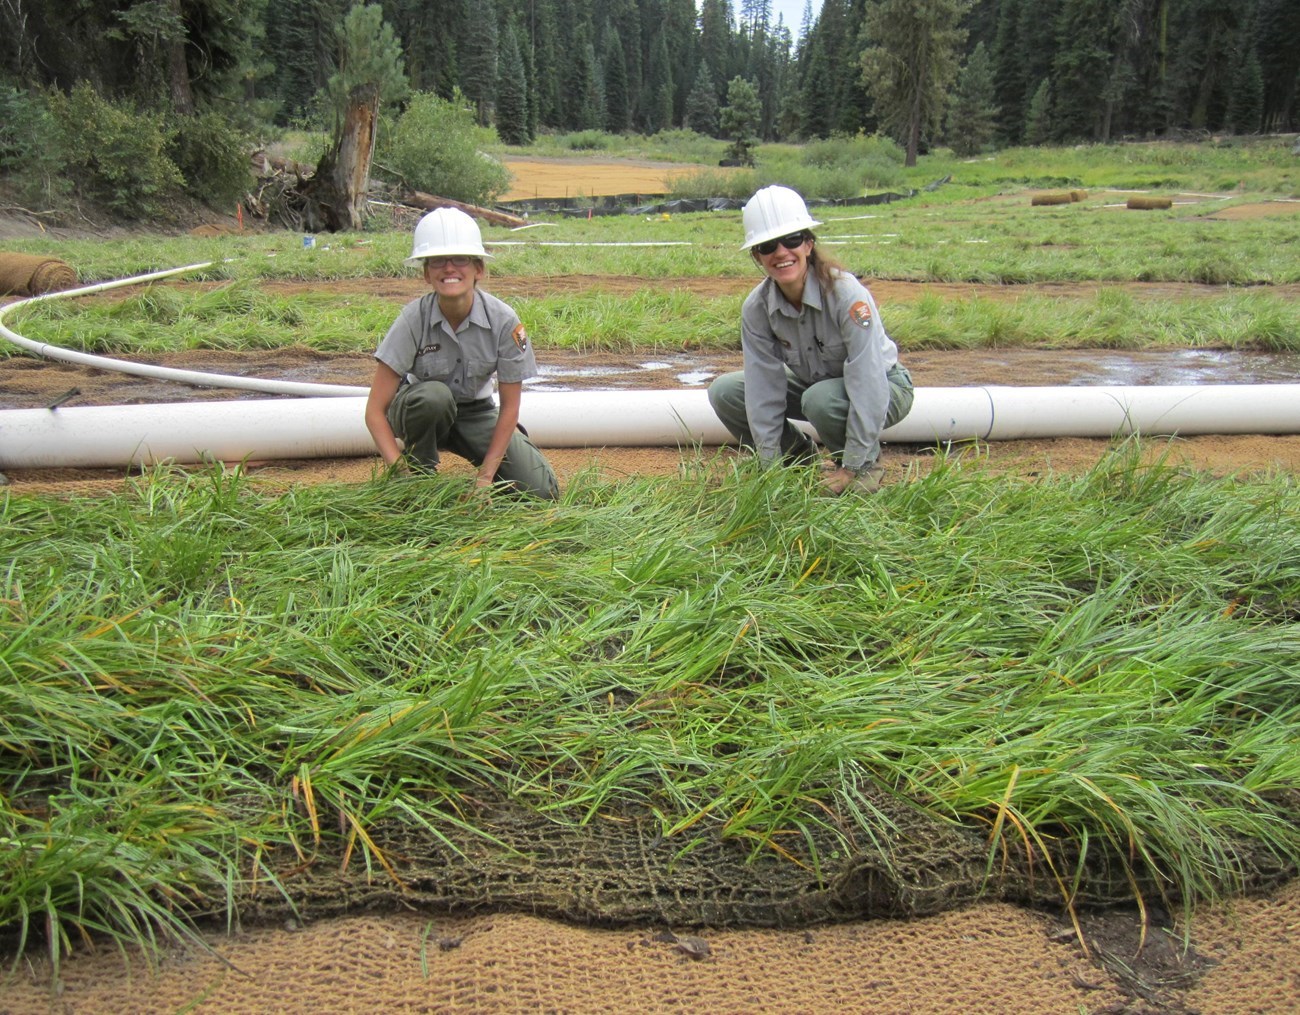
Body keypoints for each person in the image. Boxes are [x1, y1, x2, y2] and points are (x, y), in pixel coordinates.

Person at [707, 185, 914, 495]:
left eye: (791, 240)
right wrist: (770, 466)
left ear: (808, 243)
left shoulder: (847, 295)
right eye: (767, 245)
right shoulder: (757, 307)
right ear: (756, 255)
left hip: (884, 386)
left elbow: (868, 381)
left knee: (820, 399)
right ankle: (795, 462)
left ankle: (862, 470)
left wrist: (853, 465)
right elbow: (762, 388)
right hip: (816, 386)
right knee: (727, 392)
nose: (780, 252)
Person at [365, 208, 559, 499]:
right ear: (426, 273)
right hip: (422, 411)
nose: (449, 268)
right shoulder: (412, 319)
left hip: (477, 413)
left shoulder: (504, 321)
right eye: (438, 261)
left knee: (541, 491)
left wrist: (485, 479)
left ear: (478, 269)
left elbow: (509, 408)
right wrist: (399, 475)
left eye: (460, 259)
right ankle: (420, 475)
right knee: (433, 397)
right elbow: (374, 412)